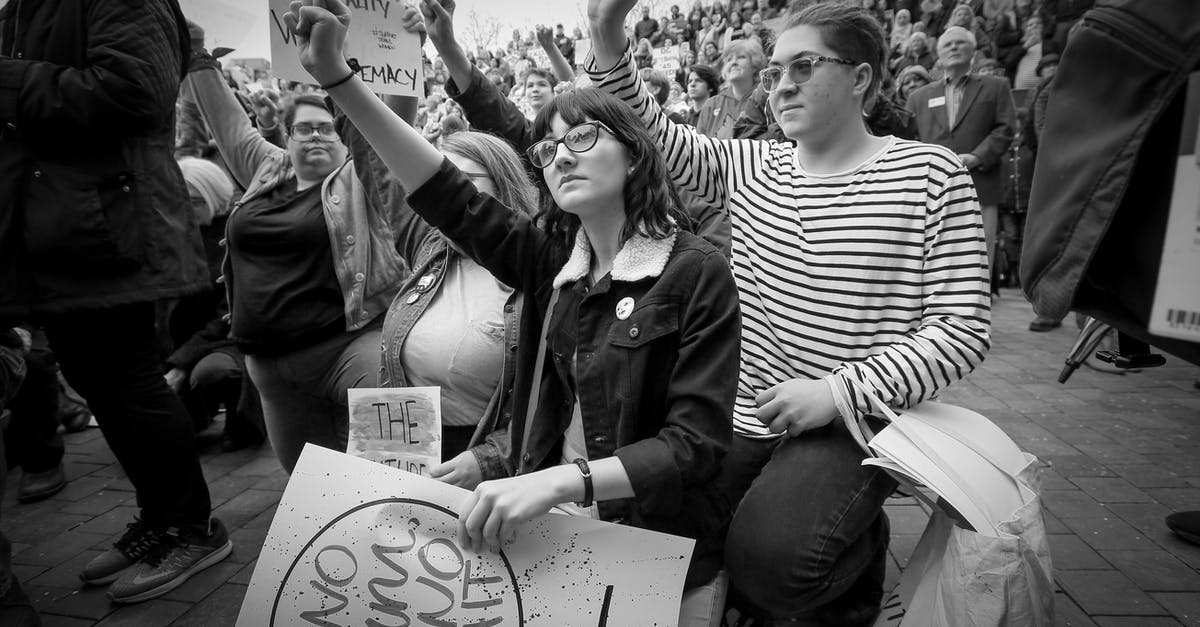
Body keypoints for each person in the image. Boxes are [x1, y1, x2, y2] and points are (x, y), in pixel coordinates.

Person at [287, 0, 742, 593]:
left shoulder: (695, 270)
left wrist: (557, 481)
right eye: (549, 150)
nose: (563, 155)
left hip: (648, 541)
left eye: (583, 136)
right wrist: (336, 78)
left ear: (634, 154)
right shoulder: (549, 261)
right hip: (543, 532)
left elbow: (694, 446)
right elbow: (441, 191)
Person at [586, 1, 991, 623]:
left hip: (854, 423)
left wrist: (838, 392)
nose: (781, 85)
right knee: (662, 545)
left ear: (861, 78)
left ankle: (853, 562)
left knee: (772, 568)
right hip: (743, 414)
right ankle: (826, 537)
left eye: (804, 66)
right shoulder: (753, 166)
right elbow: (652, 133)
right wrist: (606, 31)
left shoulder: (929, 174)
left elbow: (962, 329)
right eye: (774, 71)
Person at [0, 0, 232, 604]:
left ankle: (191, 527)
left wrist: (8, 79)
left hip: (105, 227)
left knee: (125, 382)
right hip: (66, 227)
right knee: (98, 380)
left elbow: (136, 92)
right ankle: (160, 520)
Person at [180, 23, 411, 474]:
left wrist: (406, 51)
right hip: (269, 367)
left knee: (396, 473)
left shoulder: (357, 177)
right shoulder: (264, 169)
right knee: (311, 491)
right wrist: (197, 55)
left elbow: (397, 125)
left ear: (346, 136)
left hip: (353, 350)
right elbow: (225, 121)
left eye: (326, 128)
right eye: (303, 129)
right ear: (286, 137)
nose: (316, 136)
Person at [908, 25, 1016, 285]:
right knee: (932, 261)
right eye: (947, 44)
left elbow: (1007, 127)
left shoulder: (996, 87)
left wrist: (977, 157)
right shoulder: (919, 97)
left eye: (960, 42)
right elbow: (909, 139)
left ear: (974, 51)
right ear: (939, 54)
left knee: (977, 261)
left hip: (979, 183)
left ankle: (976, 321)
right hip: (930, 191)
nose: (954, 47)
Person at [695, 39, 768, 139]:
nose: (733, 62)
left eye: (741, 57)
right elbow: (700, 148)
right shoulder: (711, 105)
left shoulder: (767, 100)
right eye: (729, 59)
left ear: (755, 65)